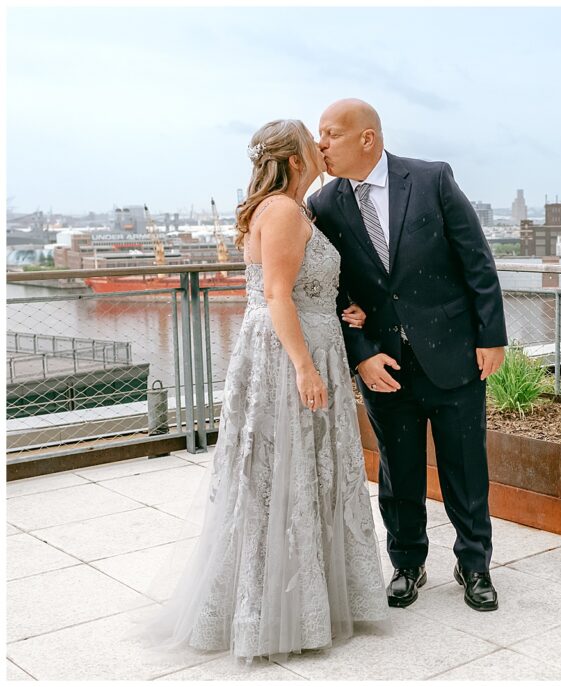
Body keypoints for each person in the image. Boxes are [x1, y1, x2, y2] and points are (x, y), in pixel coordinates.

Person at [142, 119, 389, 663]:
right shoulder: (280, 209)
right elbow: (277, 294)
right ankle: (277, 609)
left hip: (310, 339)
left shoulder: (295, 208)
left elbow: (302, 288)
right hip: (287, 356)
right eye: (313, 139)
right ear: (295, 157)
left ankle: (309, 599)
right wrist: (304, 366)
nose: (322, 146)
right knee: (284, 474)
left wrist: (336, 309)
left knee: (302, 471)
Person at [309, 99, 507, 612]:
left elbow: (477, 262)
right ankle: (407, 564)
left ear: (366, 139)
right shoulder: (325, 205)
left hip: (455, 355)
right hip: (384, 364)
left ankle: (475, 566)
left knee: (465, 467)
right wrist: (361, 355)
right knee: (398, 472)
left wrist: (492, 338)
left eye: (330, 134)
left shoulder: (432, 179)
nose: (321, 145)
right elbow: (328, 293)